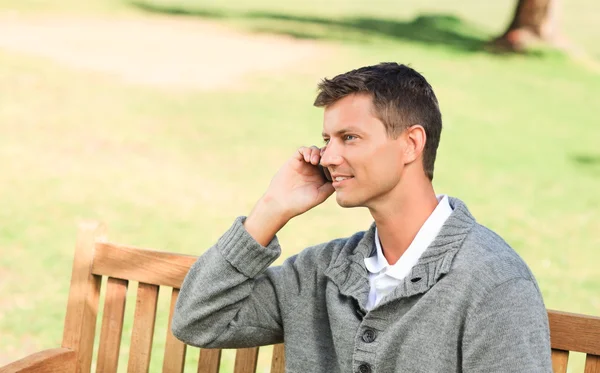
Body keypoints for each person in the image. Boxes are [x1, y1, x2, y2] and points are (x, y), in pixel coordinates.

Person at [172, 62, 552, 372]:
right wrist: (270, 208)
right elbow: (198, 321)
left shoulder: (494, 282)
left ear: (411, 143)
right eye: (326, 140)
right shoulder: (321, 271)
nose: (328, 157)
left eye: (349, 137)